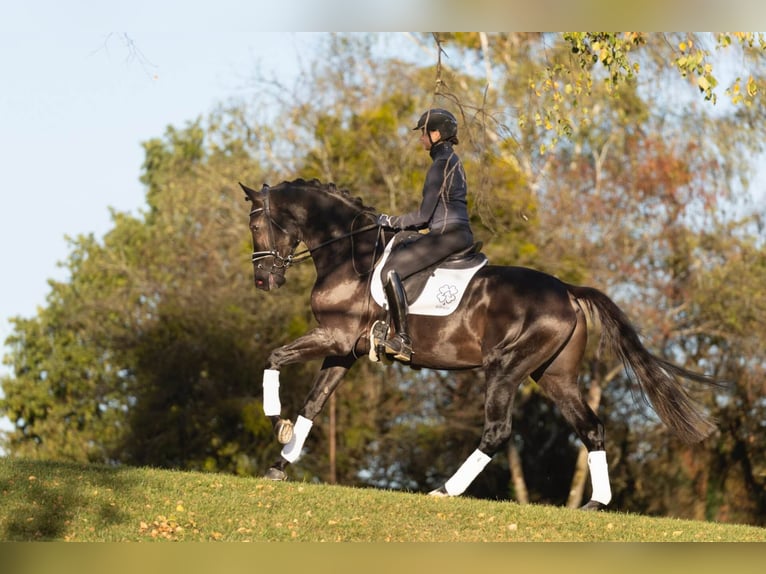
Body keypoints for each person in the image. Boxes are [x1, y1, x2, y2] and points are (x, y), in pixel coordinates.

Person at [377, 108, 475, 362]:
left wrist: (389, 220)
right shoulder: (453, 161)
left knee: (390, 271)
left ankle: (402, 340)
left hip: (445, 234)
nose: (421, 138)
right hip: (458, 232)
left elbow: (422, 217)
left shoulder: (440, 165)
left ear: (436, 134)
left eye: (423, 132)